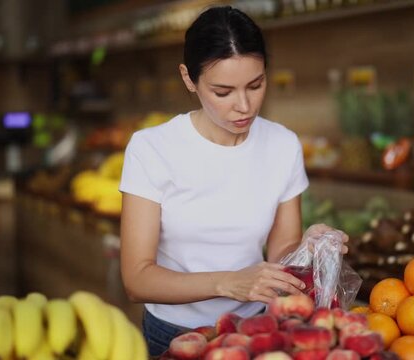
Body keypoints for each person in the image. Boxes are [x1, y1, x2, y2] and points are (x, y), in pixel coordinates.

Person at [119, 6, 348, 356]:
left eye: (256, 85)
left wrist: (309, 249)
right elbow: (137, 279)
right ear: (188, 78)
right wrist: (228, 282)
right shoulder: (151, 149)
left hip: (256, 327)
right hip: (174, 335)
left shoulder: (283, 144)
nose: (244, 106)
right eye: (223, 92)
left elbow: (281, 255)